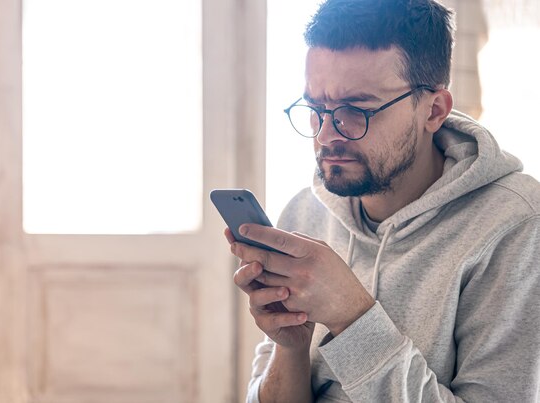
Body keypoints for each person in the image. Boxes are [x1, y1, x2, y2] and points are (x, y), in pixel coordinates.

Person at [224, 0, 540, 401]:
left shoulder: (515, 224)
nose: (326, 135)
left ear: (434, 109)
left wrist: (351, 315)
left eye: (357, 109)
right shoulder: (304, 211)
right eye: (317, 108)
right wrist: (290, 347)